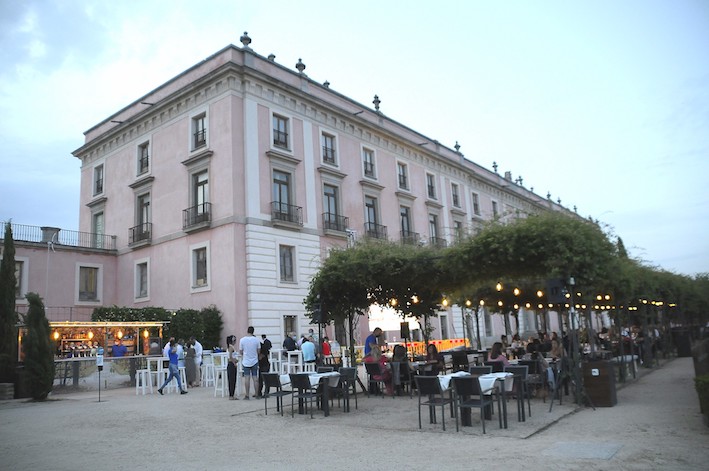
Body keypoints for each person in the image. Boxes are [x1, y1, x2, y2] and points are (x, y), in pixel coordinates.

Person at [239, 326, 261, 400]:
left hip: (246, 361)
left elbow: (241, 351)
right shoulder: (256, 340)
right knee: (255, 378)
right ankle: (257, 394)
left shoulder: (242, 340)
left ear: (247, 331)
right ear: (253, 332)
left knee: (247, 378)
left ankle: (247, 395)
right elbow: (258, 351)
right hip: (254, 360)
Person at [226, 335, 239, 400]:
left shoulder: (230, 347)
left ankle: (232, 394)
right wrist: (234, 362)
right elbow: (230, 357)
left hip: (231, 364)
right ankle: (231, 395)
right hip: (231, 365)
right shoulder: (231, 348)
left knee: (232, 380)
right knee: (232, 380)